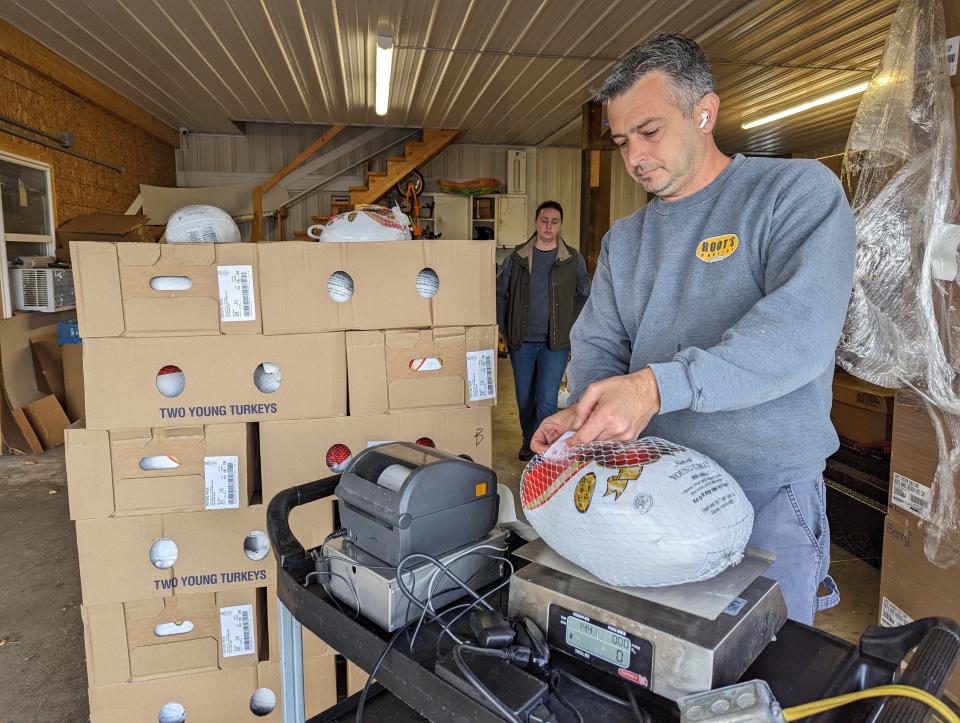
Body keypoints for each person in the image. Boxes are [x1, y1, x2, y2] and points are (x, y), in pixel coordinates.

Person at [531, 34, 856, 625]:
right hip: (649, 492)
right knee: (659, 672)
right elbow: (599, 342)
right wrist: (587, 415)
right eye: (623, 140)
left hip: (768, 495)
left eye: (649, 131)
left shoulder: (793, 194)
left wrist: (653, 389)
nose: (633, 157)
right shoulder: (626, 240)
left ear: (705, 112)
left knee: (763, 680)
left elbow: (796, 335)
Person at [497, 201, 590, 461]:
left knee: (547, 399)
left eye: (554, 221)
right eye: (544, 220)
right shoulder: (517, 257)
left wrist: (573, 329)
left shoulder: (572, 259)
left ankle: (544, 449)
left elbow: (585, 295)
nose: (548, 226)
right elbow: (498, 293)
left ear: (560, 225)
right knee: (525, 397)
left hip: (556, 344)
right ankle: (529, 441)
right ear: (536, 222)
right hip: (521, 342)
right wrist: (504, 327)